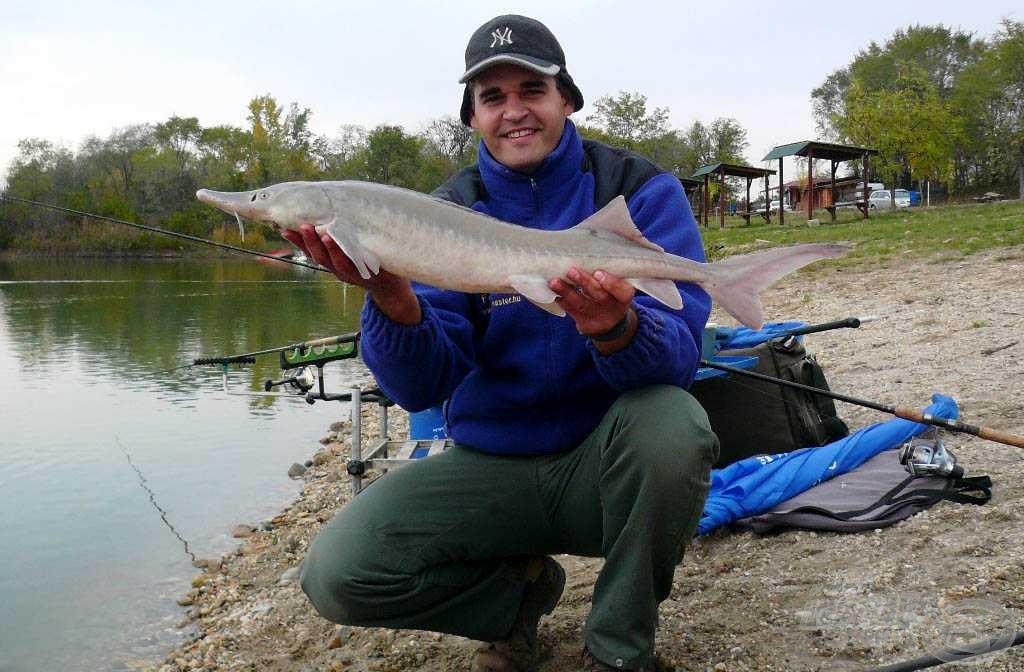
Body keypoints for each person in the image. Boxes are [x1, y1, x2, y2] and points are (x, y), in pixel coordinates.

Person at [285, 14, 719, 672]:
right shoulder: (447, 211)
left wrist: (615, 328)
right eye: (493, 98)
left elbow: (680, 361)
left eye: (531, 91)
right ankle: (514, 603)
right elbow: (418, 388)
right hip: (491, 468)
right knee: (337, 572)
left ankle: (617, 649)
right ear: (472, 117)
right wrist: (390, 298)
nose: (514, 112)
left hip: (603, 469)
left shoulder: (639, 190)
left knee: (674, 425)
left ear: (566, 99)